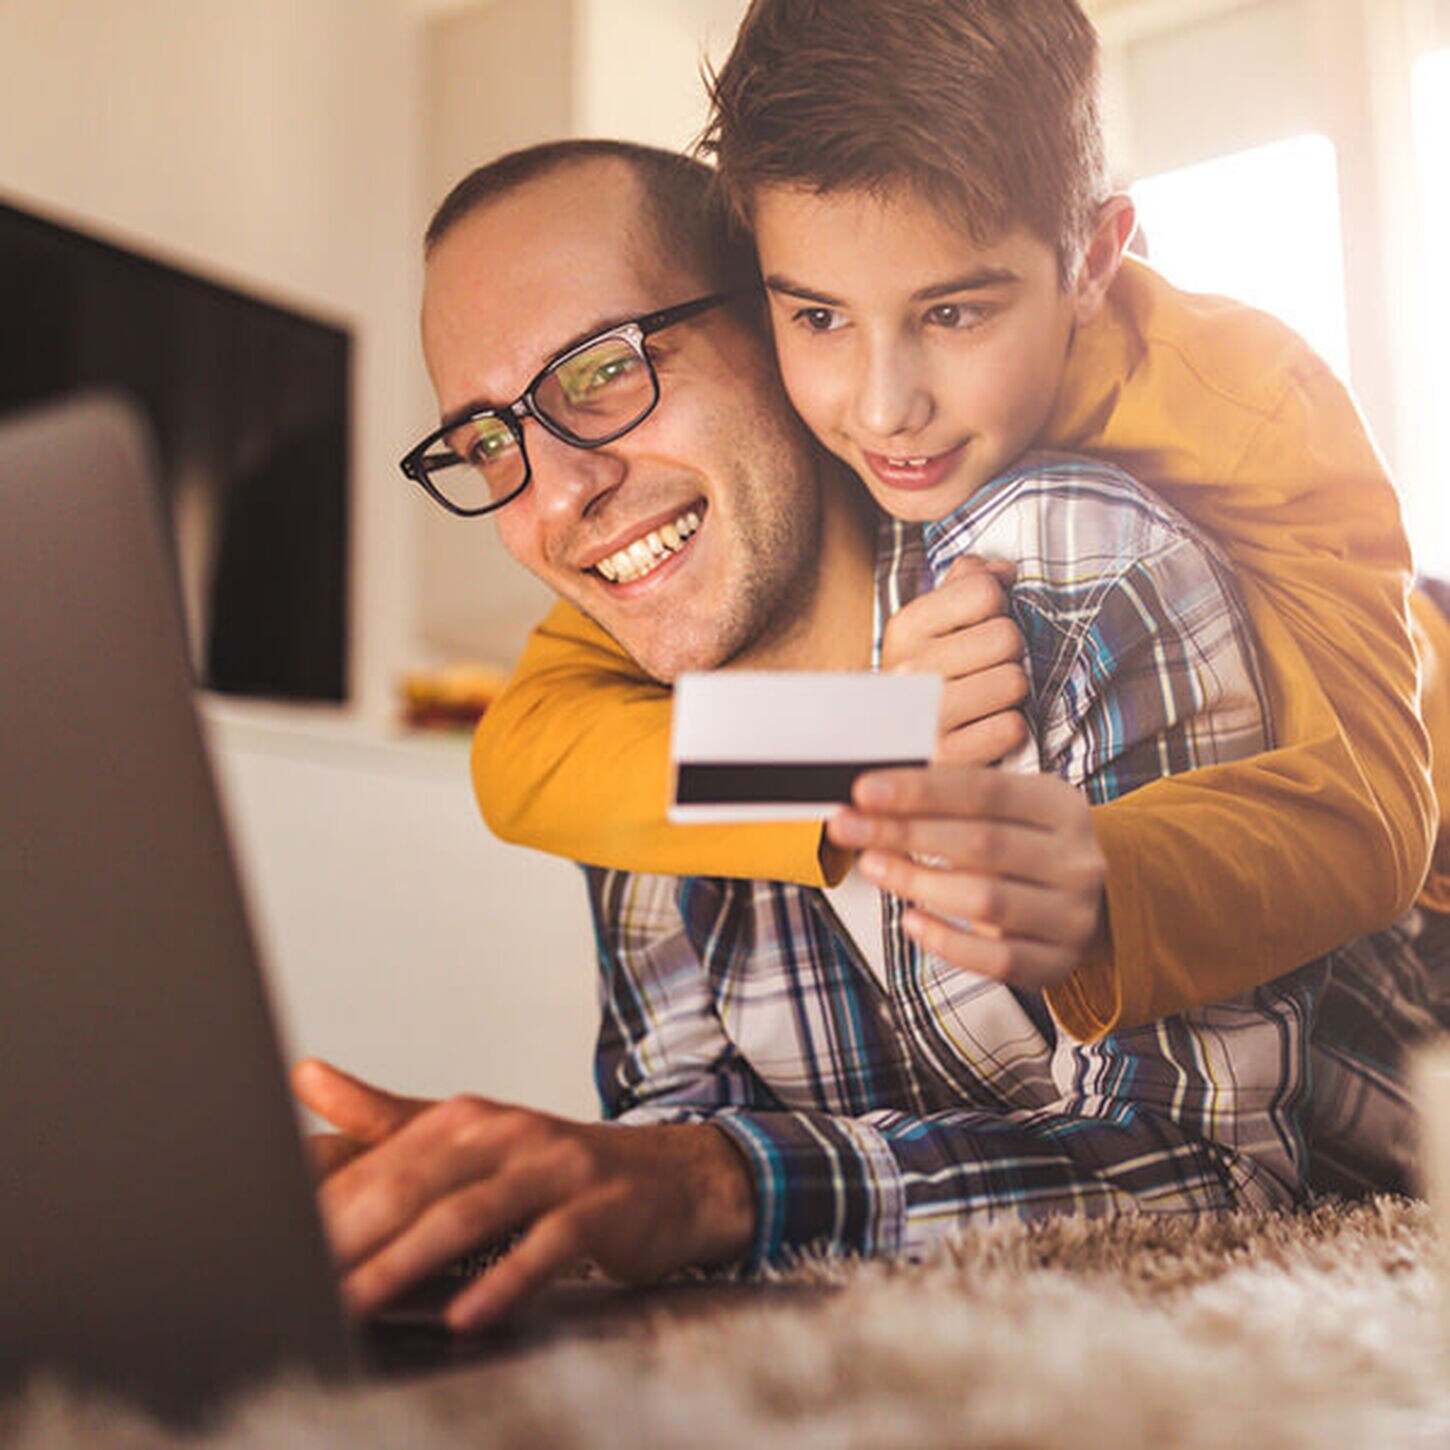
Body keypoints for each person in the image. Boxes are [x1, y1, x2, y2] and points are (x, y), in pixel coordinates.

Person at [299, 142, 1439, 1336]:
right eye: (486, 442)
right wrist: (488, 1199)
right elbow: (679, 1152)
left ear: (788, 330)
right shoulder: (633, 710)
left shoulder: (1074, 543)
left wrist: (714, 1185)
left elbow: (1212, 1172)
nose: (550, 497)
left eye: (602, 369)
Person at [467, 0, 1450, 1042]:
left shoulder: (1254, 402)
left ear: (1092, 258)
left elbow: (1378, 812)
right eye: (817, 314)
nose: (885, 405)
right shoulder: (801, 417)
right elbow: (524, 752)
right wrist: (865, 735)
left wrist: (1109, 877)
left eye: (952, 313)